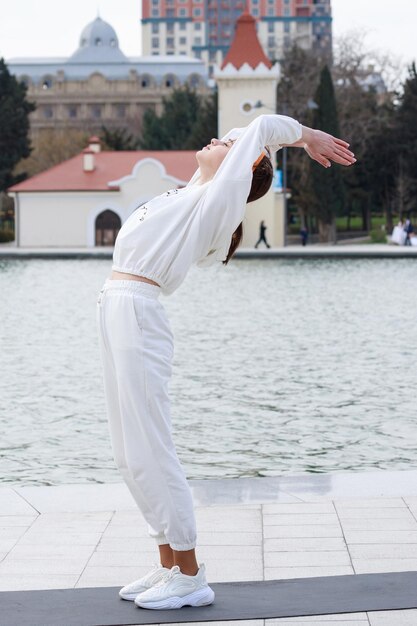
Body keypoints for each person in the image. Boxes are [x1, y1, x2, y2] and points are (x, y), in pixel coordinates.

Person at [96, 114, 356, 611]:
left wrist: (304, 138)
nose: (218, 140)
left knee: (152, 444)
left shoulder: (220, 200)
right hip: (116, 305)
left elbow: (257, 128)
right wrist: (257, 145)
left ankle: (191, 575)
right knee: (128, 449)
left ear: (243, 167)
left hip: (138, 312)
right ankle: (169, 562)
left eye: (231, 146)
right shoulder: (197, 191)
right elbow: (243, 136)